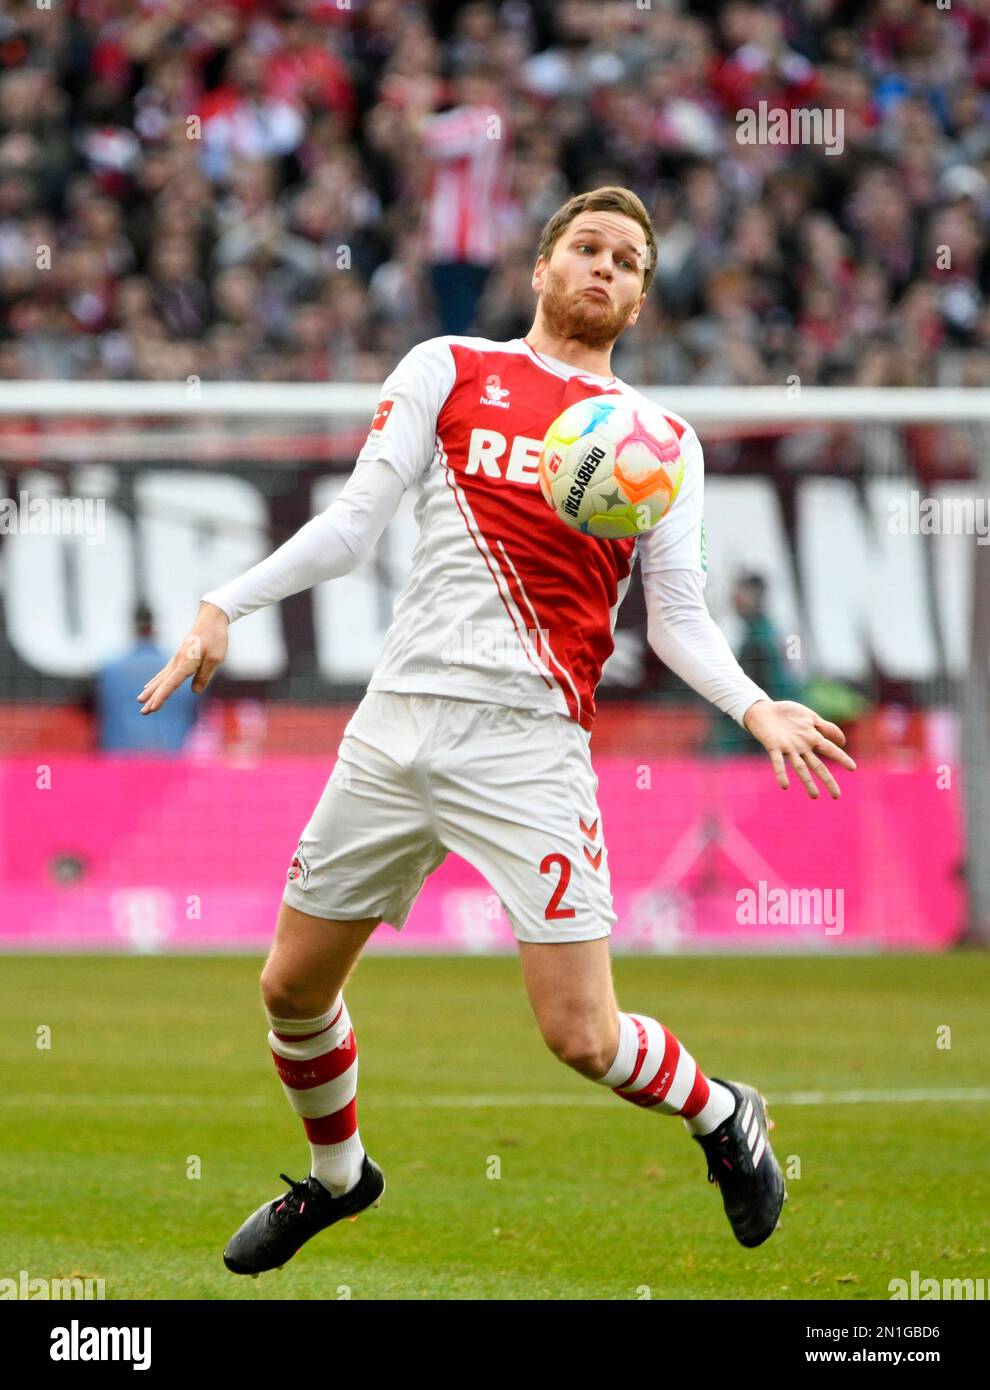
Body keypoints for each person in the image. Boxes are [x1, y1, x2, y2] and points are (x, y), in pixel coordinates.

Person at [138, 186, 856, 1275]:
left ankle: (723, 1111)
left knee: (583, 1036)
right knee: (290, 986)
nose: (603, 267)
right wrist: (224, 602)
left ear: (644, 297)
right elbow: (350, 526)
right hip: (398, 722)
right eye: (585, 247)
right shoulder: (450, 367)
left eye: (627, 258)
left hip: (527, 742)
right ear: (539, 265)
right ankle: (340, 1181)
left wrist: (755, 704)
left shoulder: (660, 442)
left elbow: (678, 621)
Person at [713, 572, 802, 755]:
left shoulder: (759, 641)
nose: (735, 599)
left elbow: (750, 694)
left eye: (741, 593)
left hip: (760, 738)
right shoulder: (769, 632)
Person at [95, 603, 197, 753]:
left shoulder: (110, 670)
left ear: (133, 626)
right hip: (170, 761)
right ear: (154, 625)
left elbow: (101, 715)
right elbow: (194, 716)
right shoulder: (181, 670)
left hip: (121, 762)